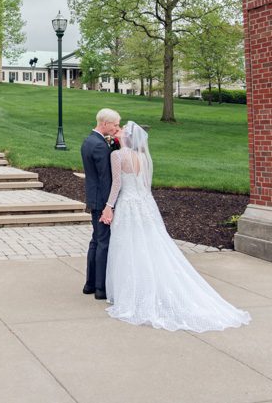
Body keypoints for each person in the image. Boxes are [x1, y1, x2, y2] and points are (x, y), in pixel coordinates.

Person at [101, 121, 251, 331]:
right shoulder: (144, 157)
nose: (121, 129)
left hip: (128, 205)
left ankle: (131, 293)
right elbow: (145, 186)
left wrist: (108, 206)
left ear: (127, 137)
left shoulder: (116, 156)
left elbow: (117, 184)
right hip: (145, 204)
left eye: (124, 128)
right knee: (151, 245)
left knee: (128, 246)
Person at [80, 108, 121, 300]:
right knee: (103, 242)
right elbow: (106, 178)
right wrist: (109, 206)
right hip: (101, 200)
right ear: (105, 123)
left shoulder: (89, 141)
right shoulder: (99, 146)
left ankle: (90, 284)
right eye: (114, 124)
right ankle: (100, 288)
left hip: (93, 197)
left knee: (95, 241)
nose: (116, 128)